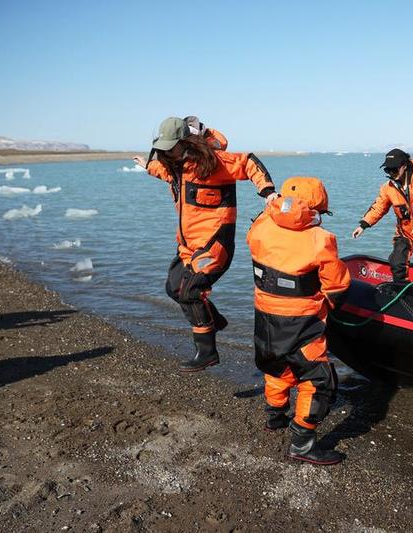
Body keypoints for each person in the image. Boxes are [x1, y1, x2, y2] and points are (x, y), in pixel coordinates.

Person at [133, 116, 277, 372]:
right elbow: (165, 174)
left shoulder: (213, 162)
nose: (166, 152)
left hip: (214, 244)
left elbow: (249, 163)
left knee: (190, 291)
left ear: (186, 142)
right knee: (174, 288)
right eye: (163, 148)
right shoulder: (173, 164)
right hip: (187, 246)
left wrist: (268, 192)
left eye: (171, 147)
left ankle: (207, 352)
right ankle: (214, 319)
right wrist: (147, 166)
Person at [247, 176, 351, 465]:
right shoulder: (321, 240)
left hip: (264, 315)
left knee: (277, 366)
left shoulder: (261, 226)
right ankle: (303, 444)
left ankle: (275, 417)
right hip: (302, 322)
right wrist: (331, 306)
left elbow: (257, 244)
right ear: (316, 210)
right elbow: (337, 284)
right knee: (318, 380)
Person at [351, 148, 413, 283]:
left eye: (394, 169)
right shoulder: (387, 188)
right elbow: (378, 207)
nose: (391, 173)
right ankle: (401, 290)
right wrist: (364, 225)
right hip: (405, 233)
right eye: (387, 170)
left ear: (404, 166)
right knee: (397, 262)